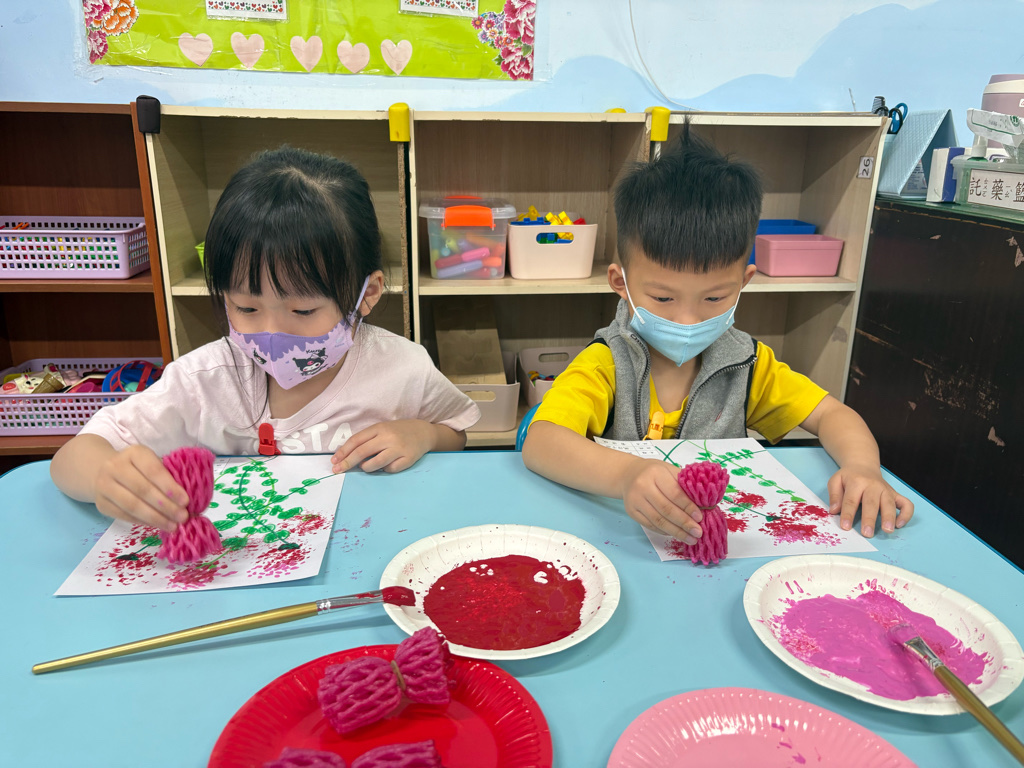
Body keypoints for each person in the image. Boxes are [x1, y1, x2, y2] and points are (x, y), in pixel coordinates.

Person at [51, 146, 479, 533]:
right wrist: (105, 477)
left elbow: (456, 432)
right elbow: (72, 457)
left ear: (366, 294)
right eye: (246, 307)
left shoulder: (402, 367)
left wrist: (423, 435)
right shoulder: (205, 380)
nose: (272, 334)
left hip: (368, 541)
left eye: (303, 311)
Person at [522, 122, 913, 543]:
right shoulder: (607, 363)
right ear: (621, 283)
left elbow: (833, 415)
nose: (688, 320)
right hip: (629, 539)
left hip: (724, 541)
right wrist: (626, 475)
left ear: (744, 282)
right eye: (663, 298)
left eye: (713, 298)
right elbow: (541, 442)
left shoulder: (747, 363)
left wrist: (862, 468)